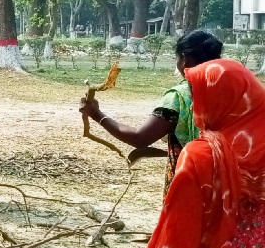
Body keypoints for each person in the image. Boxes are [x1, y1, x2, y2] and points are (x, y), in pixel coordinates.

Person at [129, 59, 265, 248]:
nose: (192, 107)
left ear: (220, 100)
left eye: (198, 98)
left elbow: (178, 231)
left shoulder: (201, 156)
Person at [79, 30, 223, 192]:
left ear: (184, 59)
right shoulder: (230, 90)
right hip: (228, 183)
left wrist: (96, 114)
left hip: (192, 187)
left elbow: (140, 138)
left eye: (177, 58)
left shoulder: (180, 96)